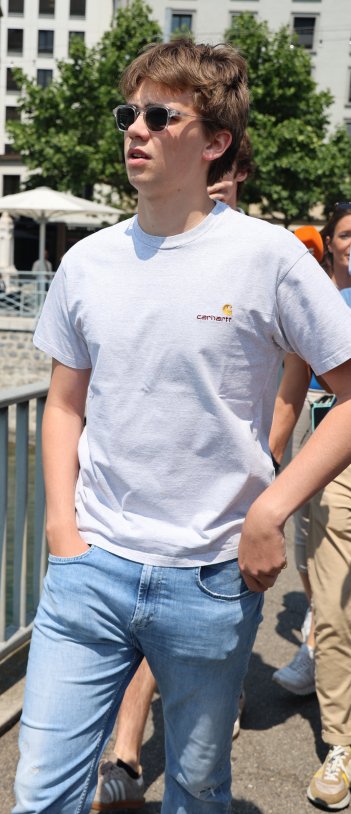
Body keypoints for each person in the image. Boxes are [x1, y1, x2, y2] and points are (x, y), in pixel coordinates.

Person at [13, 39, 351, 814]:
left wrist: (270, 509)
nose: (135, 129)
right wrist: (64, 531)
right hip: (90, 571)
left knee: (197, 789)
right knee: (40, 792)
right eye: (128, 113)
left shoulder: (269, 257)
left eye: (160, 116)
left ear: (214, 141)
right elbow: (63, 404)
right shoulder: (86, 262)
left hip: (209, 577)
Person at [92, 132, 255, 812]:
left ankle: (200, 719)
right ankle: (127, 751)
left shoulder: (259, 256)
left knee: (199, 761)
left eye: (225, 177)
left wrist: (271, 491)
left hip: (226, 513)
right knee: (144, 632)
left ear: (229, 169)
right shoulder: (129, 251)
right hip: (128, 523)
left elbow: (292, 381)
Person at [270, 204, 351, 811]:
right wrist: (268, 462)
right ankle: (341, 743)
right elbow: (293, 383)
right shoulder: (318, 298)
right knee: (330, 601)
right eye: (347, 234)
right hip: (332, 459)